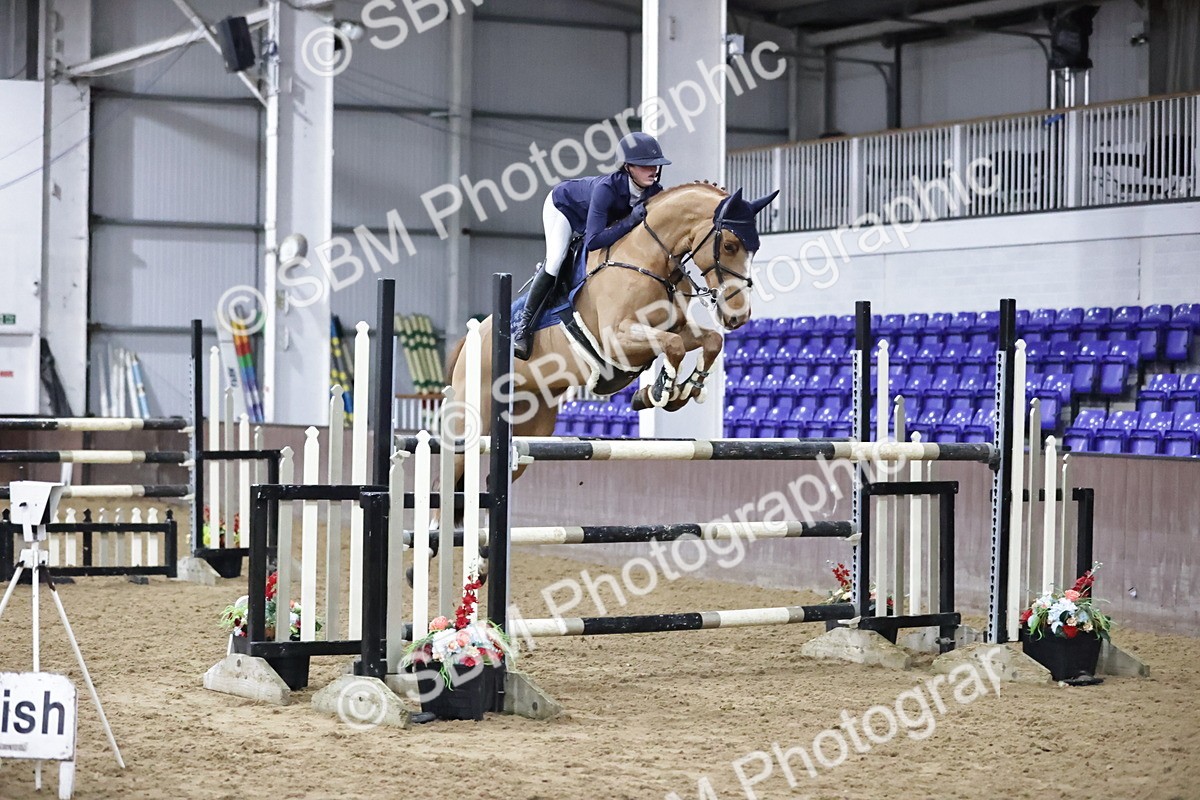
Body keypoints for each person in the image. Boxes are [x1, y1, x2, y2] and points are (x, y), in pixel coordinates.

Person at [512, 131, 672, 360]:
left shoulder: (654, 191)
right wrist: (629, 221)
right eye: (645, 165)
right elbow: (594, 240)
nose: (653, 169)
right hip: (564, 207)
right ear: (627, 167)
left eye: (656, 164)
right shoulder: (606, 189)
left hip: (594, 218)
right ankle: (523, 328)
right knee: (556, 260)